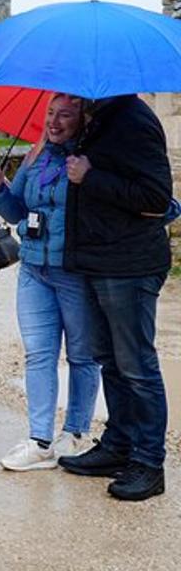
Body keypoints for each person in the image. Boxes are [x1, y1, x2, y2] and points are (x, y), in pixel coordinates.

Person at [55, 95, 174, 502]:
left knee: (136, 365)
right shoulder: (101, 119)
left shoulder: (133, 120)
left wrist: (90, 176)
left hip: (128, 263)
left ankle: (148, 462)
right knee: (112, 362)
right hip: (100, 259)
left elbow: (156, 198)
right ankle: (118, 446)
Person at [0, 94, 100, 471]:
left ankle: (76, 433)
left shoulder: (95, 154)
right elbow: (19, 212)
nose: (55, 121)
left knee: (82, 356)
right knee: (39, 354)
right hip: (34, 269)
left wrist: (90, 176)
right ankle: (40, 440)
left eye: (65, 115)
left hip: (75, 271)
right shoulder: (35, 154)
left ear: (82, 119)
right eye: (51, 113)